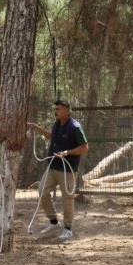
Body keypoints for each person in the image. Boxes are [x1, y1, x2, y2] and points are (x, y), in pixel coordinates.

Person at [27, 100, 88, 240]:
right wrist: (37, 128)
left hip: (68, 170)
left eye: (58, 109)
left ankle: (68, 228)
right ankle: (54, 222)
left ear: (67, 111)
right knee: (42, 191)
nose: (55, 111)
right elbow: (51, 136)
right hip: (52, 166)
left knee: (67, 198)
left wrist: (66, 152)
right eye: (55, 109)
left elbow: (85, 147)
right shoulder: (56, 124)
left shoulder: (75, 127)